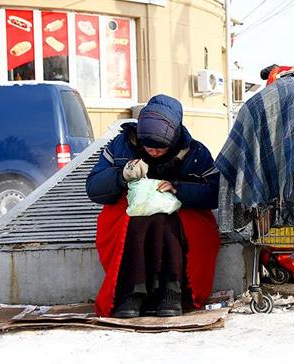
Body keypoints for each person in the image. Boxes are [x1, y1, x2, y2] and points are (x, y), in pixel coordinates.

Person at [86, 94, 221, 318]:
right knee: (138, 220)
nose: (153, 152)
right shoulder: (120, 146)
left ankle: (171, 290)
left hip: (181, 212)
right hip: (130, 212)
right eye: (148, 147)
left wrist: (180, 189)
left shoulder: (195, 153)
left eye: (160, 148)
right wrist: (122, 175)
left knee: (165, 221)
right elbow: (93, 188)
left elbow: (215, 192)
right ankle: (131, 291)